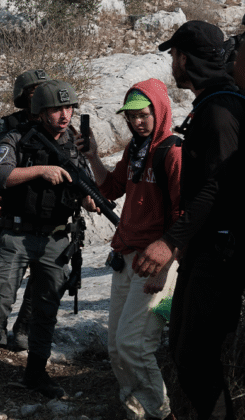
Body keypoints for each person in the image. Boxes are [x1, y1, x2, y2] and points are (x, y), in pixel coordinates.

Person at [0, 80, 99, 398]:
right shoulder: (17, 136)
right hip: (17, 234)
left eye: (69, 108)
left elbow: (88, 191)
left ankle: (36, 372)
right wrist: (41, 170)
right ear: (41, 111)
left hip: (56, 238)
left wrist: (92, 197)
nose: (65, 115)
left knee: (46, 308)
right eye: (57, 109)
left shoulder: (75, 143)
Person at [133, 21, 245, 419]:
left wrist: (169, 241)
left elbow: (216, 189)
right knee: (185, 351)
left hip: (221, 253)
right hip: (204, 250)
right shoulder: (212, 103)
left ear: (184, 58)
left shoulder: (220, 111)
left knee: (196, 356)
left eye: (174, 56)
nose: (172, 64)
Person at [79, 79, 181, 420]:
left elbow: (185, 216)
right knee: (116, 348)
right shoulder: (134, 150)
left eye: (143, 115)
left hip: (157, 266)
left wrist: (167, 269)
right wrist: (93, 156)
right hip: (125, 260)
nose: (136, 122)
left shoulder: (173, 152)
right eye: (131, 117)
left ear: (159, 111)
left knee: (135, 346)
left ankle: (162, 415)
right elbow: (110, 189)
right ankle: (135, 413)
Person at [0, 68, 49, 352]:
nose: (39, 96)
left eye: (43, 90)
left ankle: (24, 330)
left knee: (42, 283)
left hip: (47, 215)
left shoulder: (59, 123)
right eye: (33, 92)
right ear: (22, 96)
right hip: (14, 214)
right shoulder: (8, 125)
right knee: (1, 284)